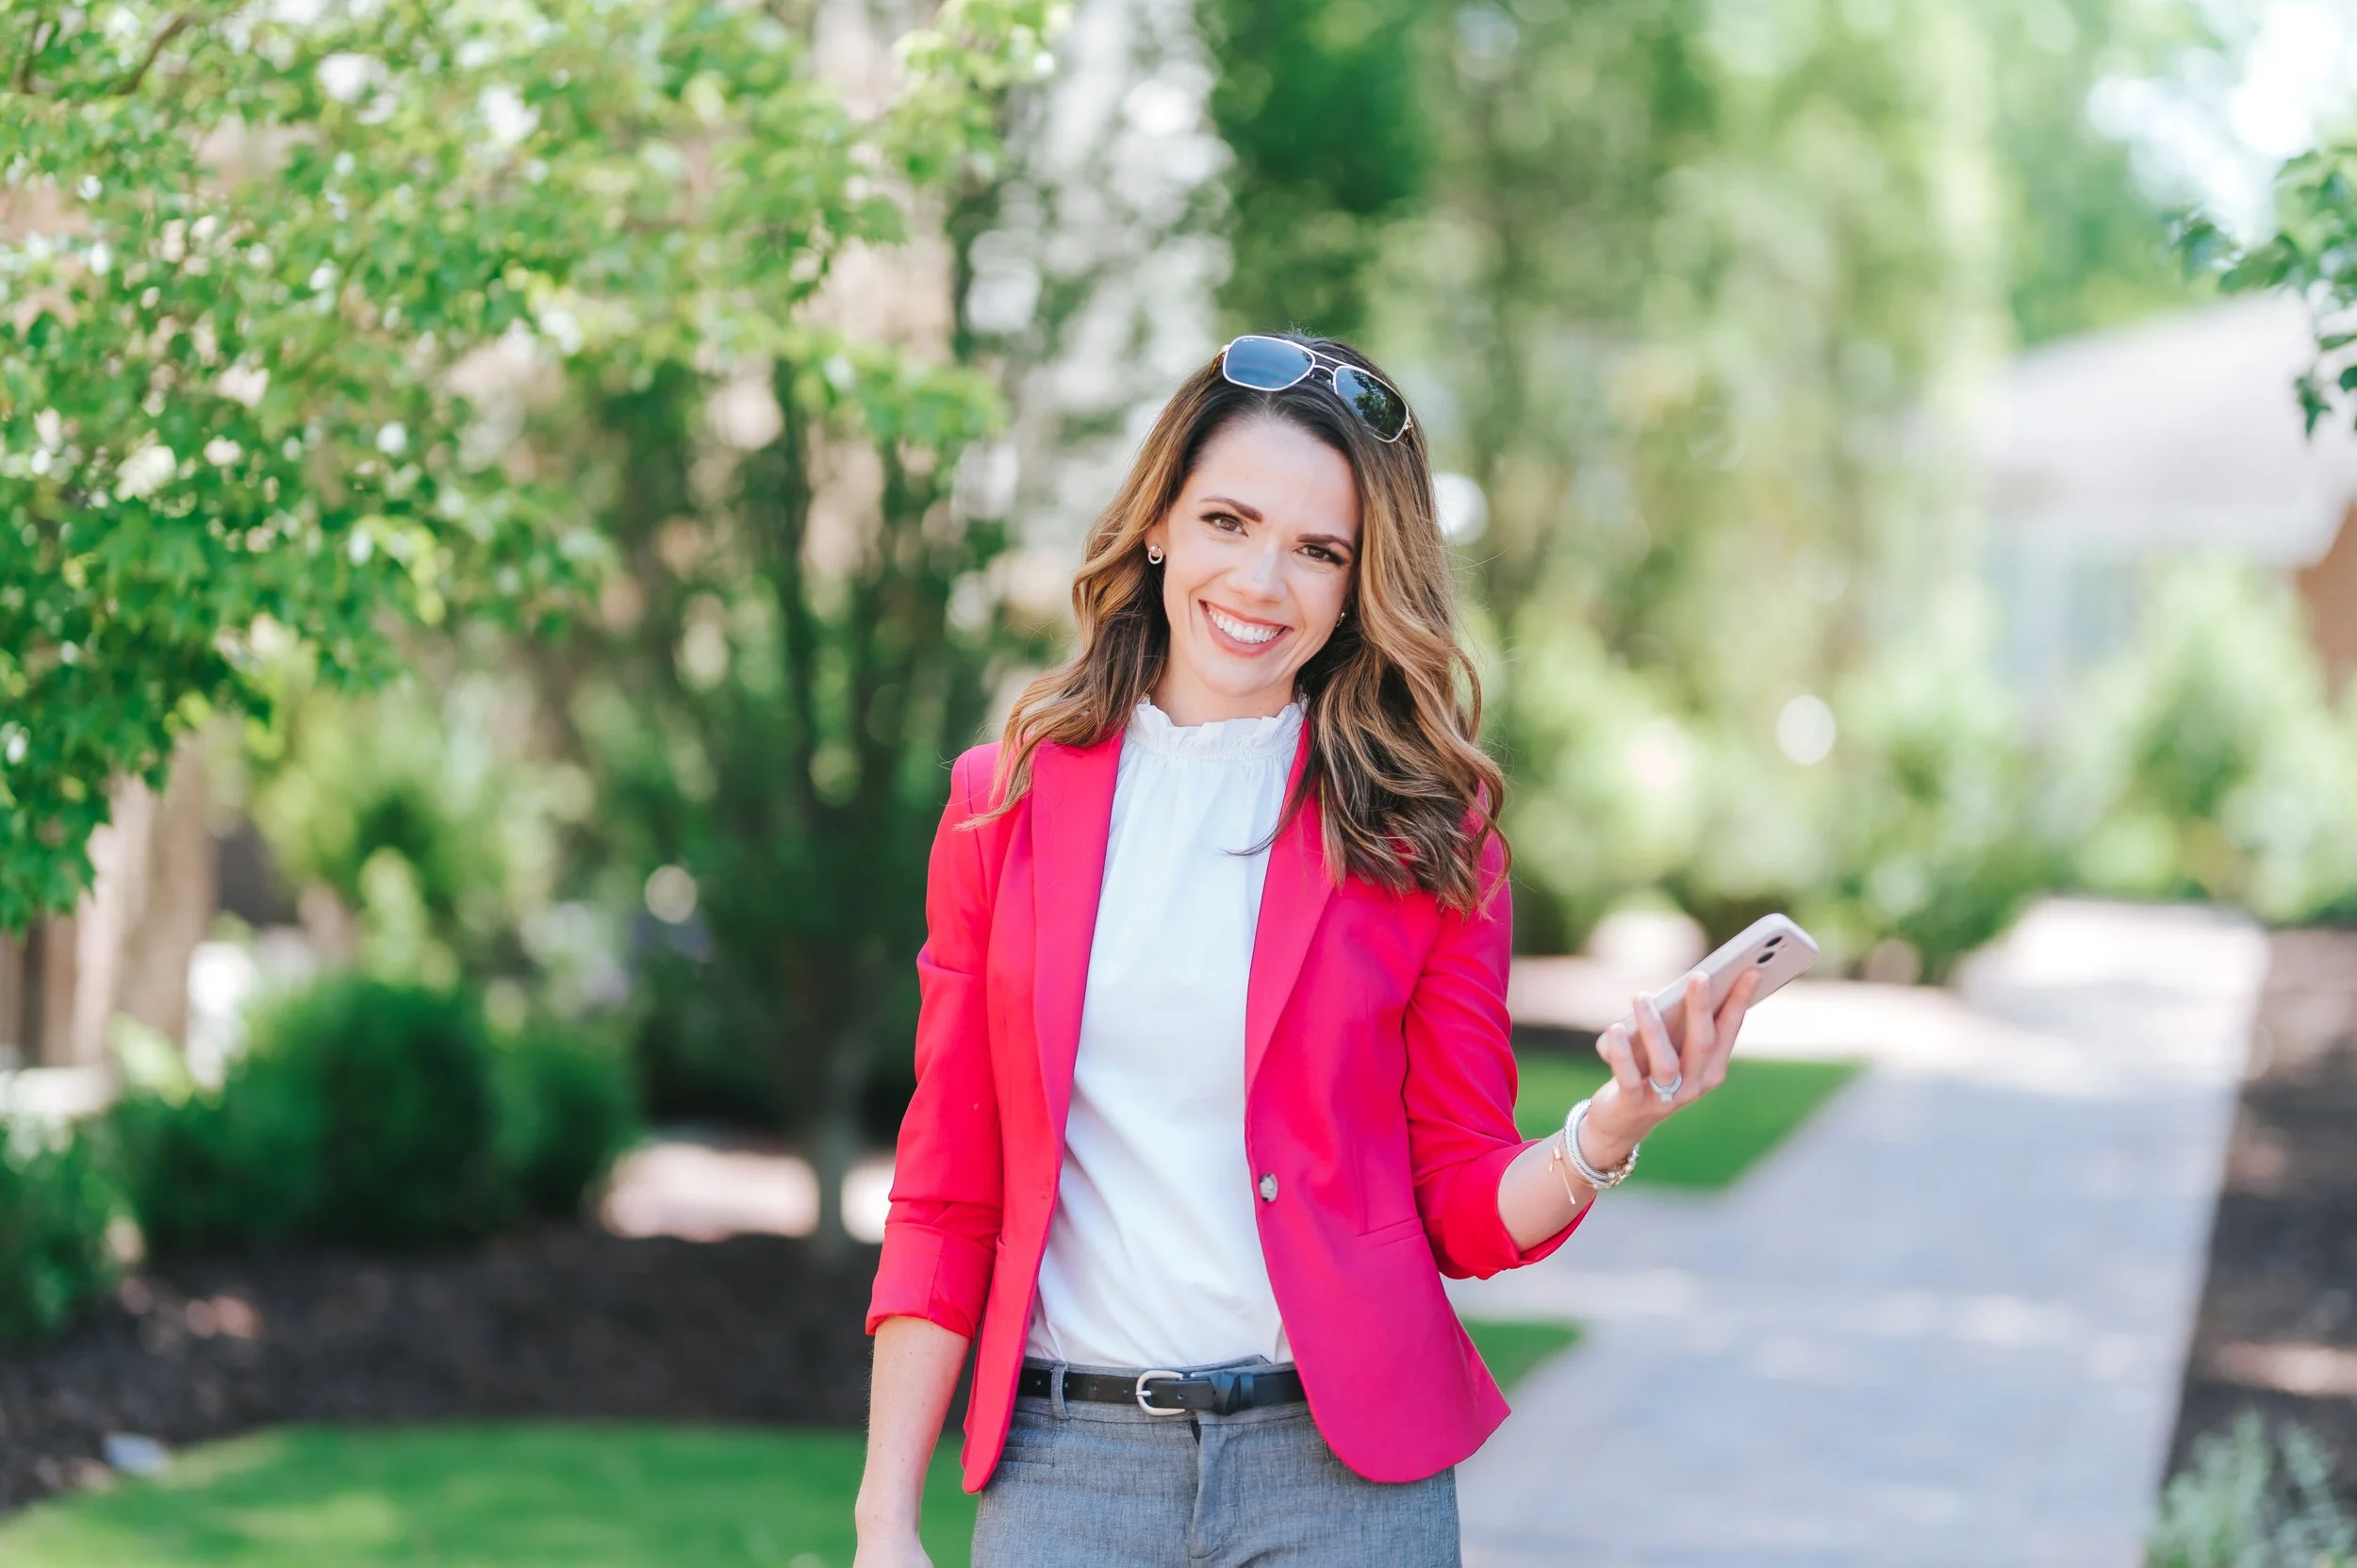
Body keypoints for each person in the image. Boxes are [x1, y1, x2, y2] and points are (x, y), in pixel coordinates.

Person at [853, 333, 1760, 1568]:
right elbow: (950, 1186)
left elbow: (1463, 1206)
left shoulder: (1426, 835)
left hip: (1338, 1485)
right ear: (1161, 523)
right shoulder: (999, 806)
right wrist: (883, 1519)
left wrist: (1610, 1126)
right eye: (1229, 520)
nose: (1263, 580)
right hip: (1070, 1475)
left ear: (1356, 584)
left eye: (1319, 550)